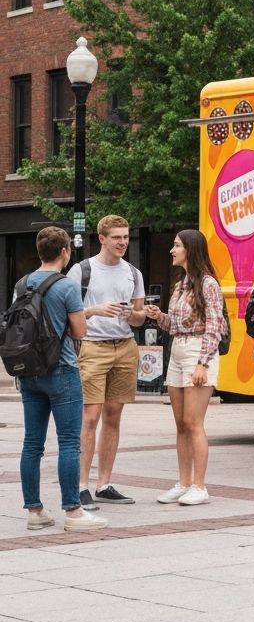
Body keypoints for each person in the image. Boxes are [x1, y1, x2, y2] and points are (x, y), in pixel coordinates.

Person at [19, 226, 107, 532]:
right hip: (62, 369)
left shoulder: (22, 283)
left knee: (32, 443)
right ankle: (73, 511)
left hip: (29, 371)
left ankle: (34, 511)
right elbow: (79, 331)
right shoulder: (66, 286)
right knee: (69, 442)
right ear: (65, 252)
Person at [66, 214, 145, 510]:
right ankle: (81, 485)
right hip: (92, 347)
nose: (123, 242)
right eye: (117, 237)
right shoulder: (82, 270)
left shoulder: (133, 273)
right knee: (90, 418)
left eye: (125, 237)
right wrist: (95, 310)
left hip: (124, 347)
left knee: (114, 416)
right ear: (102, 239)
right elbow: (69, 314)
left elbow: (137, 316)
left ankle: (105, 483)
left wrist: (134, 315)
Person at [143, 230, 223, 506]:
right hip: (177, 349)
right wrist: (160, 317)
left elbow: (215, 326)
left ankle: (199, 486)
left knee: (193, 422)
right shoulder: (181, 285)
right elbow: (176, 326)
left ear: (190, 249)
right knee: (180, 424)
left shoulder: (208, 284)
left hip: (197, 351)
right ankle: (184, 482)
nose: (171, 250)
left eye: (176, 246)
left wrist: (203, 363)